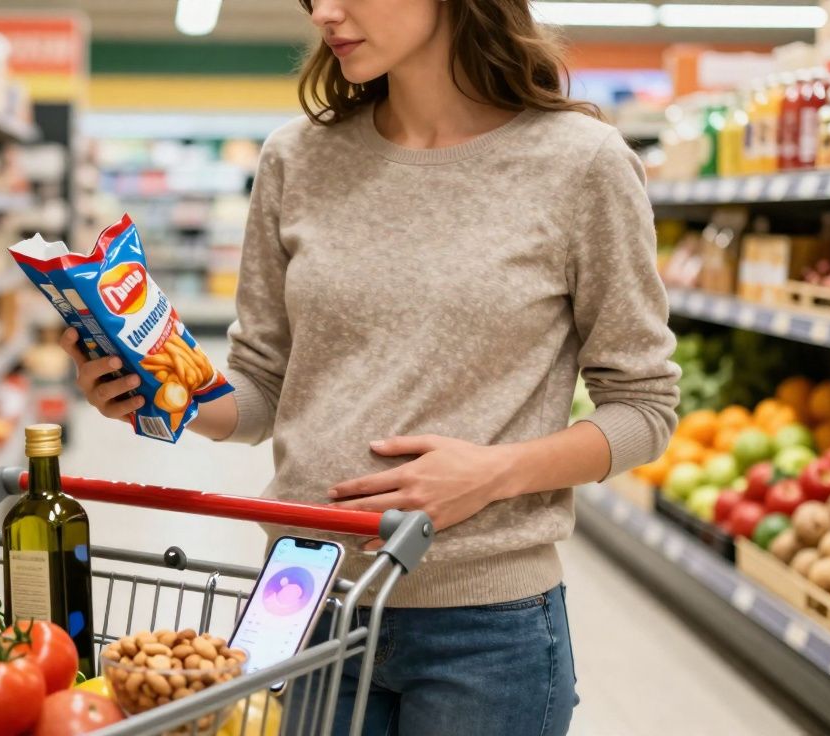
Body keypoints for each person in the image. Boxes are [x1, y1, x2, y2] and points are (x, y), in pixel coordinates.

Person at [60, 0, 680, 733]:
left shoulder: (582, 164)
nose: (325, 11)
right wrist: (159, 390)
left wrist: (494, 472)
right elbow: (262, 389)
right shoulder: (296, 158)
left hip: (481, 630)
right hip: (304, 603)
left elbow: (644, 407)